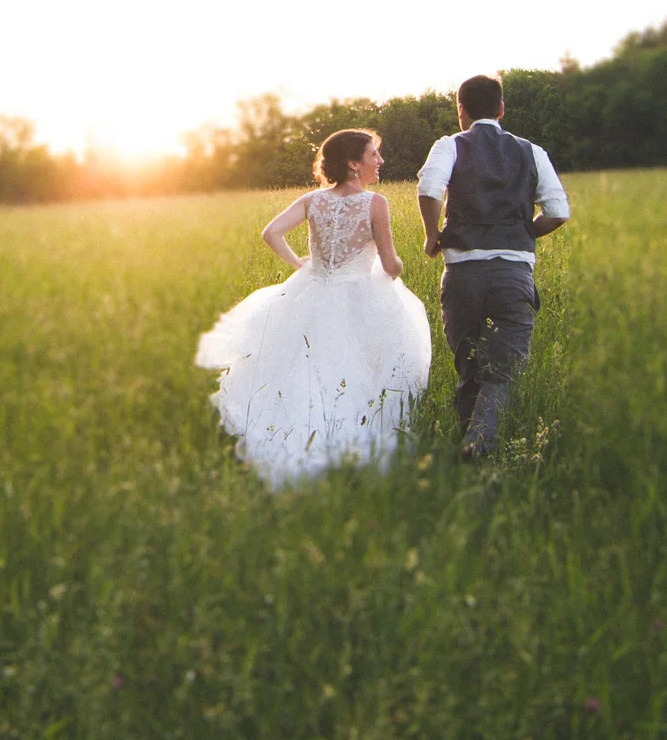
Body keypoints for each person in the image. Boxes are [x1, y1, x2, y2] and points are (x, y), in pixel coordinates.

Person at [194, 129, 433, 486]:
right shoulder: (375, 204)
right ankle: (347, 445)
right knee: (359, 371)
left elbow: (270, 232)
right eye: (373, 155)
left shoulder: (312, 201)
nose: (379, 161)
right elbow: (390, 264)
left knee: (307, 368)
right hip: (358, 295)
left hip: (313, 290)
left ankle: (302, 434)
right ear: (354, 164)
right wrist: (397, 269)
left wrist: (301, 265)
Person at [416, 73, 570, 459]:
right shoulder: (532, 151)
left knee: (469, 364)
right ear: (501, 109)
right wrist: (523, 233)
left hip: (463, 272)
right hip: (513, 273)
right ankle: (478, 446)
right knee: (502, 370)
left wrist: (432, 235)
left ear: (461, 111)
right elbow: (558, 212)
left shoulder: (449, 145)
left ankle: (471, 444)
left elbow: (429, 189)